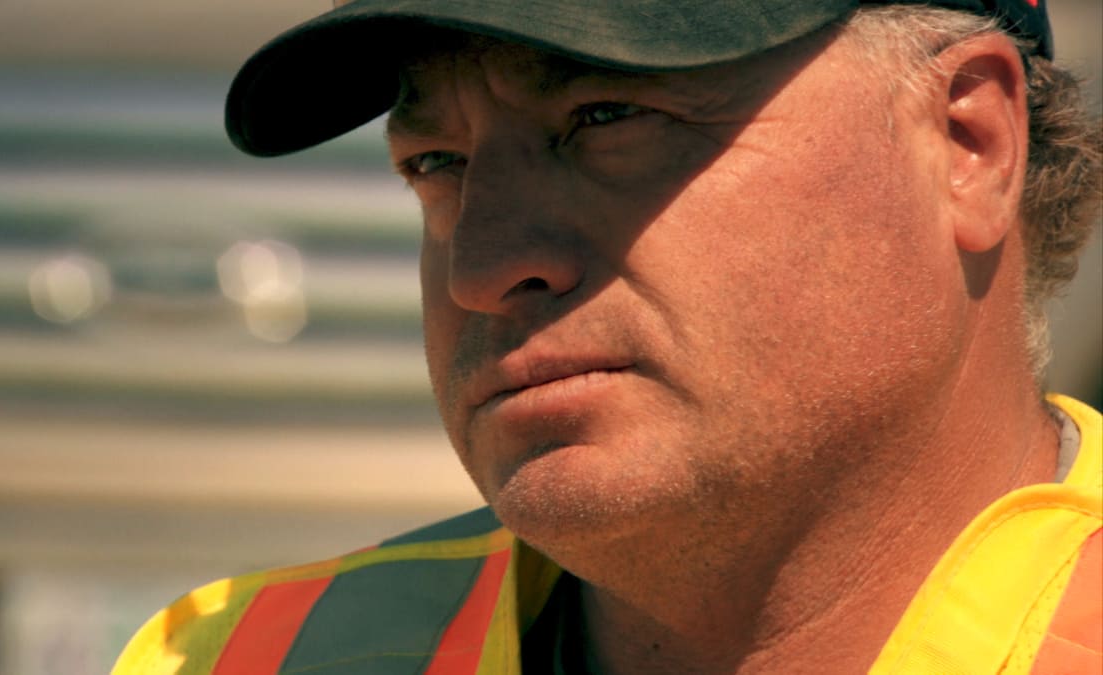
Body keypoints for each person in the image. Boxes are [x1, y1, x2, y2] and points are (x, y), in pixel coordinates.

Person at [114, 0, 1102, 673]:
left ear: (967, 144)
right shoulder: (229, 656)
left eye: (606, 115)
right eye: (437, 161)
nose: (480, 267)